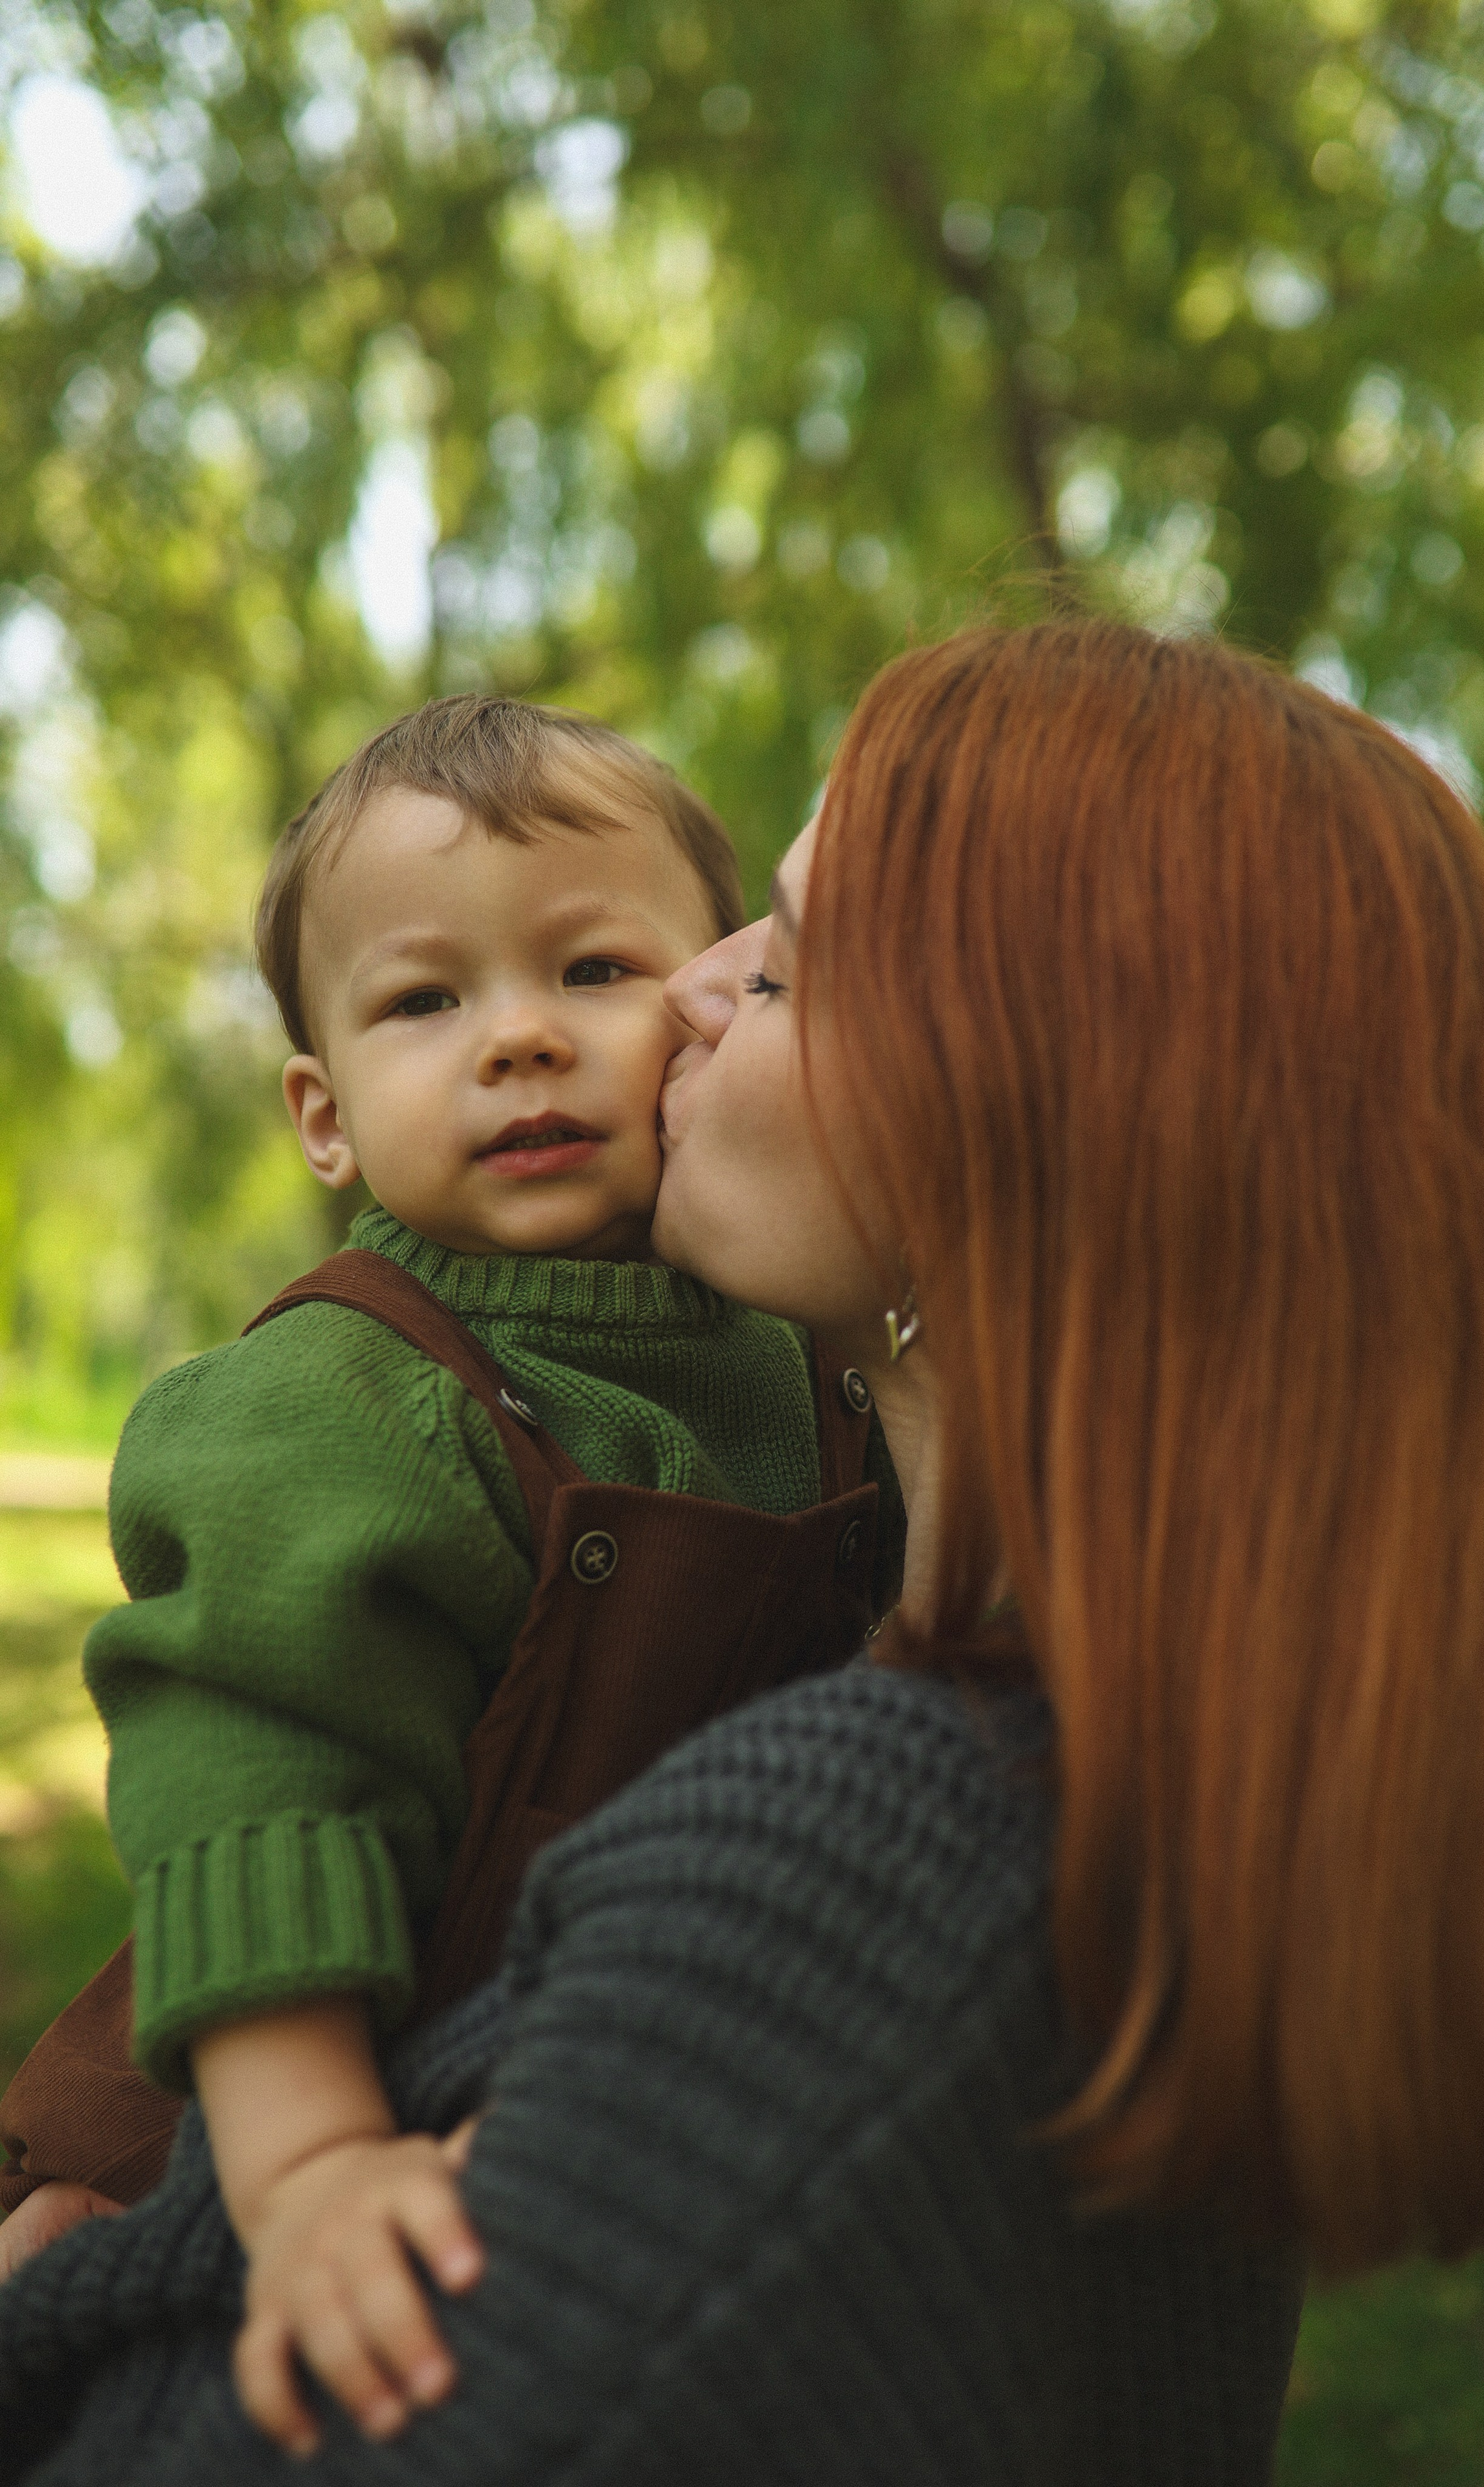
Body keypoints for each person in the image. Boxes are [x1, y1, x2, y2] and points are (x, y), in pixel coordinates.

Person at [0, 619, 1484, 2487]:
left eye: (782, 965)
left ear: (1006, 1144)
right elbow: (254, 1752)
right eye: (422, 999)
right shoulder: (1173, 1795)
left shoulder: (832, 1910)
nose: (683, 994)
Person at [0, 694, 896, 2446]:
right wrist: (315, 2166)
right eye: (428, 1000)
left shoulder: (804, 1349)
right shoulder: (330, 1396)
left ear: (711, 997)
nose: (519, 1041)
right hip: (263, 2101)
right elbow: (258, 1794)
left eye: (593, 971)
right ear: (324, 1119)